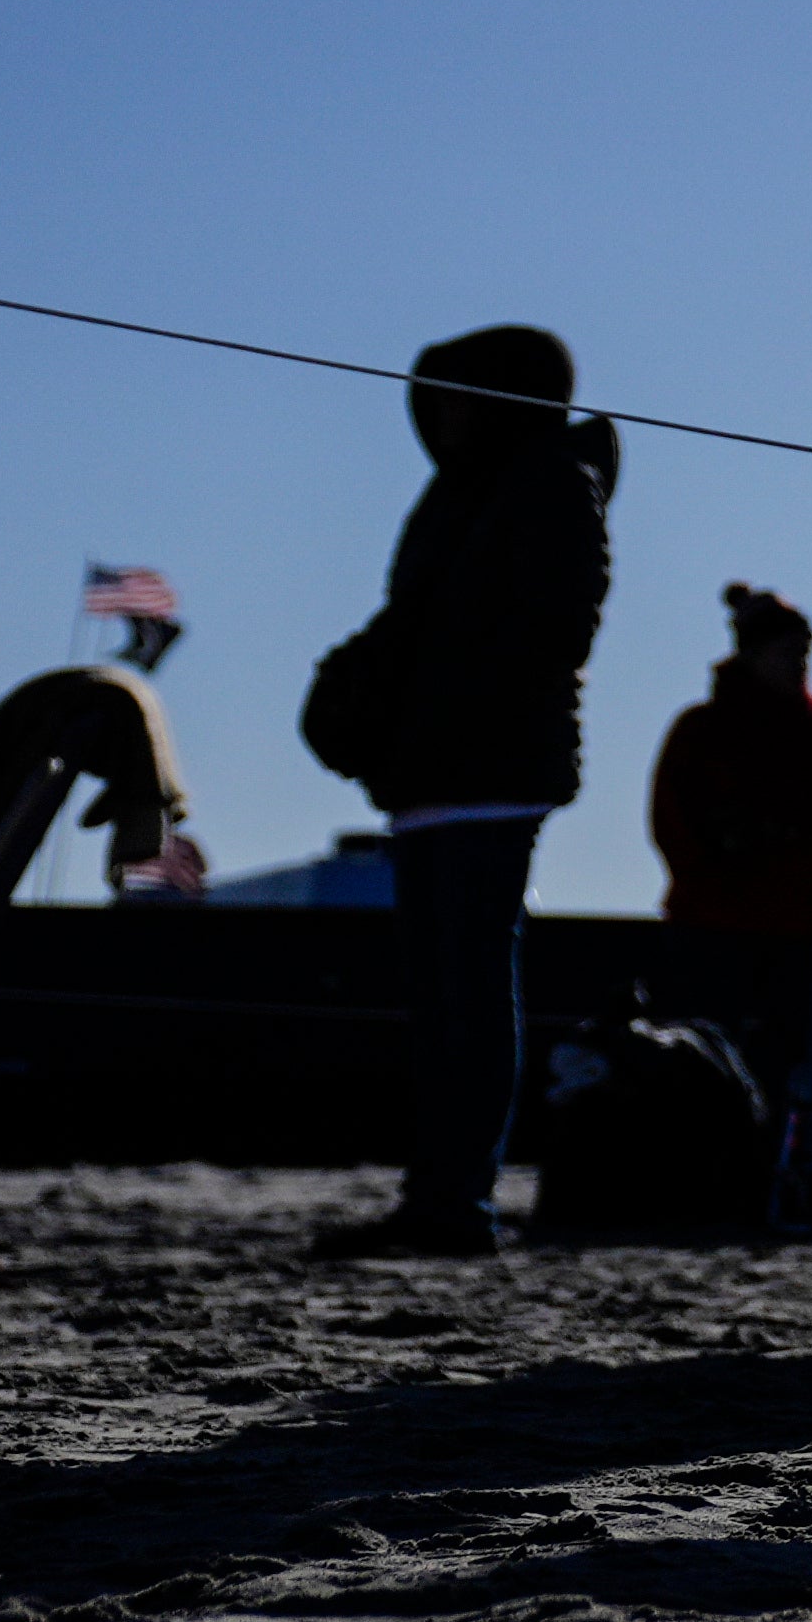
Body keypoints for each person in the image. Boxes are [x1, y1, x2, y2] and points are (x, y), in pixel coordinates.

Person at [303, 326, 619, 1262]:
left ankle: (458, 1205)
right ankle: (436, 1194)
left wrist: (439, 703)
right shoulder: (461, 489)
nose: (443, 414)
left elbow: (556, 629)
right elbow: (417, 624)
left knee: (471, 994)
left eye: (459, 395)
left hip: (490, 778)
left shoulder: (552, 480)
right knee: (442, 999)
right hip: (429, 782)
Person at [646, 583, 812, 1093]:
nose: (799, 663)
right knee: (698, 1070)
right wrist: (720, 892)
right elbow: (673, 827)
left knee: (791, 1073)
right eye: (787, 652)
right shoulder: (700, 729)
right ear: (751, 653)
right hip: (709, 933)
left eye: (804, 652)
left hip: (798, 939)